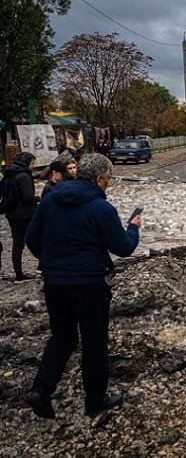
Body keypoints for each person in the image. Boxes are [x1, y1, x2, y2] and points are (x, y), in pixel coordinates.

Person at [24, 153, 141, 419]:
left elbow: (32, 238)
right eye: (108, 179)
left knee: (62, 336)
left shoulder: (51, 199)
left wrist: (53, 261)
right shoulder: (101, 208)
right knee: (94, 342)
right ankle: (95, 402)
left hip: (54, 282)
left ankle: (40, 390)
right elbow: (123, 247)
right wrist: (133, 228)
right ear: (100, 179)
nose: (108, 184)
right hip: (88, 283)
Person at [4, 152, 39, 282]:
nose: (33, 166)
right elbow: (28, 197)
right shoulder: (24, 176)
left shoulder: (10, 173)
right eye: (32, 163)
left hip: (11, 213)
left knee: (17, 243)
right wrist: (38, 198)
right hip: (24, 214)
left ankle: (18, 273)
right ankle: (43, 267)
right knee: (36, 238)